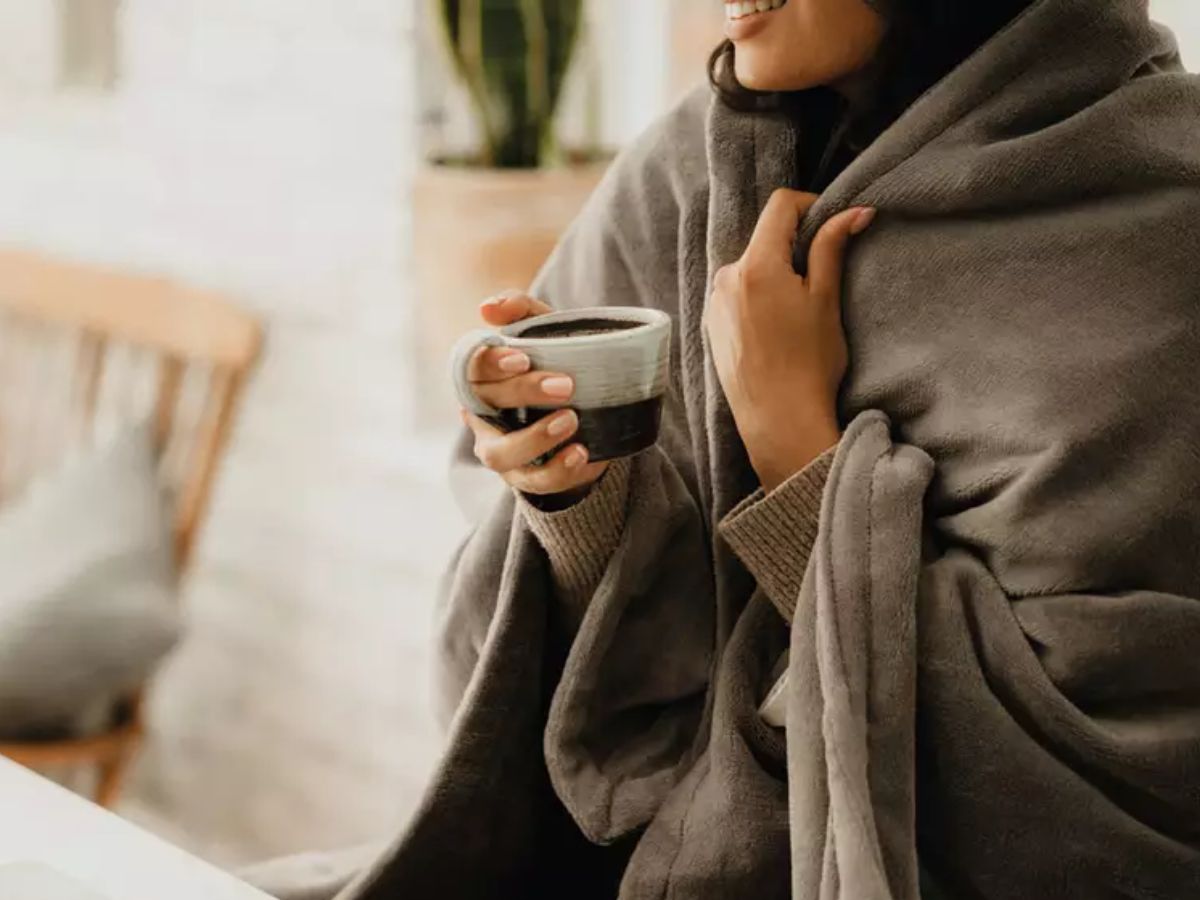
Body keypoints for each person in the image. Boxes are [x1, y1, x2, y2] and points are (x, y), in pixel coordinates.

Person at [247, 0, 1200, 897]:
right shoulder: (689, 176)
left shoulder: (1158, 225)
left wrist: (793, 444)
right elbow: (537, 710)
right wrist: (574, 492)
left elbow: (1095, 805)